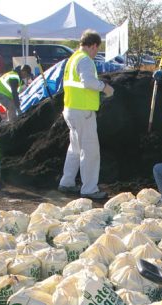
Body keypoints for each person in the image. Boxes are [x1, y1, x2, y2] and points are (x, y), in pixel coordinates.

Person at [58, 29, 114, 200]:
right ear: (93, 45)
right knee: (90, 151)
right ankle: (89, 189)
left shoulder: (72, 59)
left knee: (74, 149)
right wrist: (105, 88)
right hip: (83, 112)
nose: (96, 52)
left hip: (71, 110)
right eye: (97, 49)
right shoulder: (85, 60)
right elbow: (88, 82)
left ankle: (66, 183)